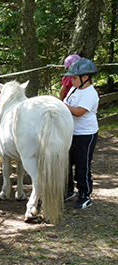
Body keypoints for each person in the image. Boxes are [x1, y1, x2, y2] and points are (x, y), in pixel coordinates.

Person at [62, 58, 99, 209]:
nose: (72, 80)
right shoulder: (74, 89)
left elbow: (78, 112)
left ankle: (85, 194)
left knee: (82, 165)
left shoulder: (90, 93)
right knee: (67, 163)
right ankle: (69, 190)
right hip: (71, 132)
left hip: (85, 134)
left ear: (85, 78)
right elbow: (66, 105)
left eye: (75, 77)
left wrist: (61, 104)